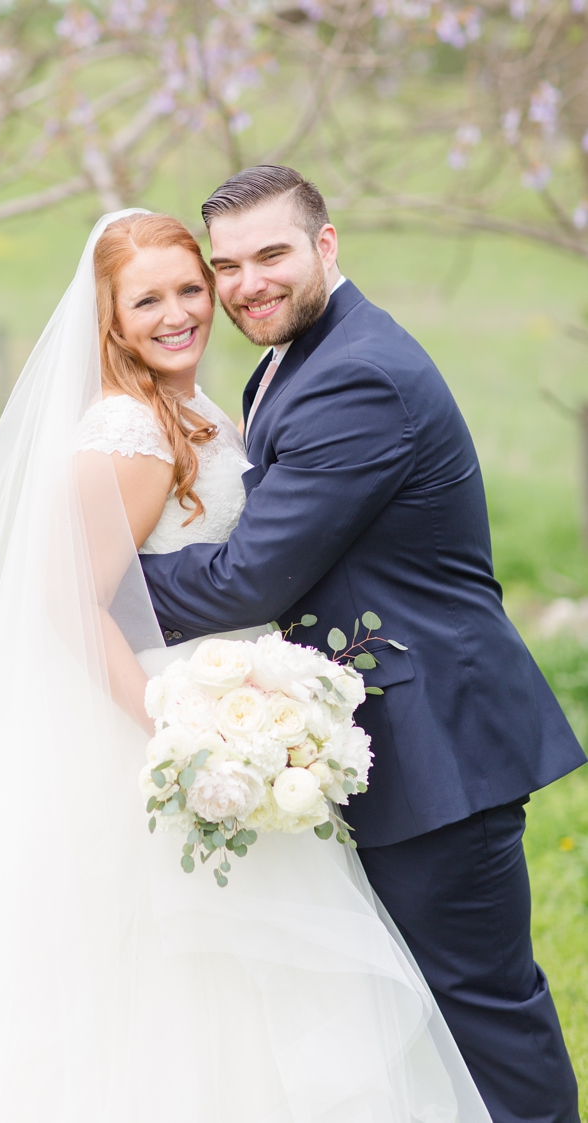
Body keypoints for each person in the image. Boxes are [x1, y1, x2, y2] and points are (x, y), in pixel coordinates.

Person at [0, 210, 492, 1119]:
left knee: (241, 975)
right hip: (153, 728)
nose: (178, 312)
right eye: (147, 299)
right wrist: (176, 726)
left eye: (192, 288)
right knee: (159, 980)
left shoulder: (198, 409)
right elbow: (70, 601)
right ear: (109, 317)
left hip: (222, 711)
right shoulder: (132, 431)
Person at [138, 166, 583, 1123]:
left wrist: (100, 580)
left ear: (326, 246)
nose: (247, 283)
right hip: (374, 731)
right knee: (405, 1013)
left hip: (438, 744)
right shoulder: (296, 354)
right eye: (227, 266)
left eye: (272, 255)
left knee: (481, 1010)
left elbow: (249, 579)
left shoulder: (357, 376)